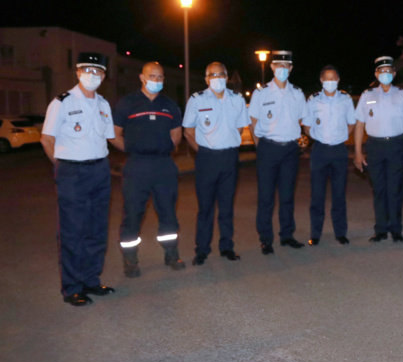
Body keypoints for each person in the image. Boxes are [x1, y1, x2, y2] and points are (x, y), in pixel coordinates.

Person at [41, 52, 116, 306]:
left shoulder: (104, 105)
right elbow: (47, 139)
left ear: (104, 76)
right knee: (73, 231)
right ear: (77, 72)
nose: (92, 75)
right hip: (72, 171)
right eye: (87, 70)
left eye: (98, 71)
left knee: (96, 229)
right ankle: (72, 287)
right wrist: (61, 166)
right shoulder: (62, 102)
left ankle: (91, 281)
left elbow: (107, 137)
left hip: (100, 169)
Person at [110, 62, 184, 278]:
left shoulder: (170, 105)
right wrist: (133, 150)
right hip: (137, 165)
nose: (156, 81)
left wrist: (164, 149)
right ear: (142, 77)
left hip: (164, 165)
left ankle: (172, 254)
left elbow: (176, 135)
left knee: (168, 213)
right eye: (152, 76)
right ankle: (130, 260)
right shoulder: (127, 103)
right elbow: (114, 134)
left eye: (160, 77)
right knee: (133, 213)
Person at [183, 62, 250, 265]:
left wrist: (226, 144)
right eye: (212, 74)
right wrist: (203, 151)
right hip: (206, 158)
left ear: (227, 76)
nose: (217, 78)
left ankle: (226, 247)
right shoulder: (197, 100)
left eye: (220, 74)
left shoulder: (237, 100)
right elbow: (188, 131)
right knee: (205, 207)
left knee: (227, 206)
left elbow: (240, 128)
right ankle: (202, 250)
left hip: (229, 158)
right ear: (206, 79)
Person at [354, 56, 403, 242]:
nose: (385, 74)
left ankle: (396, 229)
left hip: (397, 146)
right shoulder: (367, 96)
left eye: (388, 71)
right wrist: (358, 153)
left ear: (394, 73)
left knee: (395, 189)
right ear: (376, 74)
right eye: (381, 71)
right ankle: (381, 230)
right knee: (379, 189)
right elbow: (359, 125)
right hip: (374, 146)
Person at [249, 51, 306, 255]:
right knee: (266, 196)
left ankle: (287, 235)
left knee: (287, 195)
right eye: (278, 65)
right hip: (268, 148)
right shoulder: (261, 93)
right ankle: (266, 239)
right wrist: (260, 145)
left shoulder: (297, 93)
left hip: (290, 149)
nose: (282, 69)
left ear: (290, 69)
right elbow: (253, 121)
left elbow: (301, 120)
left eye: (286, 66)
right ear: (272, 67)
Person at [302, 65, 356, 246]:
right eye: (327, 79)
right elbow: (307, 126)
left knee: (339, 194)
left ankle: (341, 233)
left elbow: (351, 123)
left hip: (339, 151)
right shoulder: (313, 101)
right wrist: (318, 136)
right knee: (317, 194)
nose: (330, 82)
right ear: (321, 81)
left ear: (338, 80)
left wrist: (340, 136)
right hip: (320, 151)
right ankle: (315, 234)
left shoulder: (346, 100)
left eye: (334, 79)